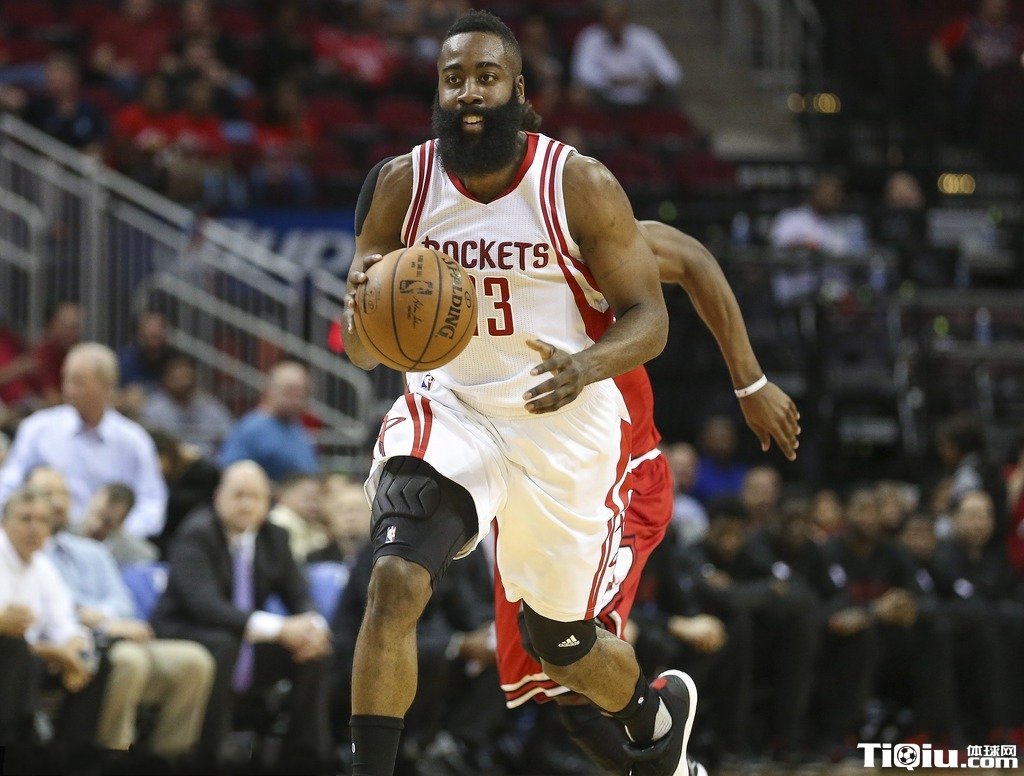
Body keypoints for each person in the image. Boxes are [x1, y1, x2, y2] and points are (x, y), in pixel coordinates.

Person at [341, 11, 798, 775]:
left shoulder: (575, 185)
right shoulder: (401, 186)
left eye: (486, 76)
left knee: (561, 650)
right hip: (453, 409)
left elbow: (657, 308)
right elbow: (359, 347)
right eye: (453, 79)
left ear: (519, 91)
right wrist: (363, 314)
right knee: (394, 580)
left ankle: (655, 725)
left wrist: (595, 367)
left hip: (567, 427)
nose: (468, 91)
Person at [492, 214, 799, 770]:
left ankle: (670, 748)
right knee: (566, 687)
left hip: (621, 480)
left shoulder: (576, 220)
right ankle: (676, 767)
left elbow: (693, 259)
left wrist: (750, 382)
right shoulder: (461, 245)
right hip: (531, 484)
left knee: (565, 649)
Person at [151, 461, 333, 770]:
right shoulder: (196, 533)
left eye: (255, 497)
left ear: (267, 503)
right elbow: (205, 606)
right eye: (238, 495)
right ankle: (211, 755)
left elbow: (299, 595)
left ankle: (303, 759)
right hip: (186, 630)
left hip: (240, 637)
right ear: (218, 497)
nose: (246, 504)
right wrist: (279, 629)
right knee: (226, 643)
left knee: (312, 652)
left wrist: (313, 626)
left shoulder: (274, 537)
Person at [28, 465, 214, 761]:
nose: (59, 502)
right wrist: (100, 622)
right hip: (80, 641)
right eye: (48, 493)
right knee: (130, 661)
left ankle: (168, 758)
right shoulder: (28, 552)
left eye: (63, 493)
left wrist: (102, 617)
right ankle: (112, 756)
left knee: (195, 660)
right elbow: (53, 609)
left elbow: (123, 603)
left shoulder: (92, 551)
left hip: (118, 633)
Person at [0, 343, 168, 538]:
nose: (68, 389)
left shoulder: (134, 440)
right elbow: (8, 485)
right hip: (46, 538)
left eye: (78, 382)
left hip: (112, 541)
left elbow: (152, 500)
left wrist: (122, 533)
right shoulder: (37, 428)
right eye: (66, 379)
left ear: (107, 386)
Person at [0, 487, 109, 764]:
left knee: (96, 658)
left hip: (33, 655)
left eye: (42, 521)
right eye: (26, 519)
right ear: (4, 522)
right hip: (11, 656)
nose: (34, 528)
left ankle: (69, 758)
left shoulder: (43, 566)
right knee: (17, 653)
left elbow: (66, 624)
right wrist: (57, 654)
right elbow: (10, 633)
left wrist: (72, 650)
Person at [219, 360, 319, 482]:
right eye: (290, 391)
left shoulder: (296, 428)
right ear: (270, 390)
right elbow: (232, 475)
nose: (297, 399)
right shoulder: (252, 429)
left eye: (303, 392)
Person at [571, 0, 682, 107]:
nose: (614, 24)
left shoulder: (644, 37)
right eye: (609, 20)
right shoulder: (591, 37)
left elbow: (672, 72)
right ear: (602, 20)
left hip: (644, 98)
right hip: (604, 98)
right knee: (578, 94)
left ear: (626, 20)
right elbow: (582, 72)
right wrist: (611, 80)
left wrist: (646, 81)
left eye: (618, 19)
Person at [141, 352, 234, 458]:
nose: (183, 382)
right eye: (178, 376)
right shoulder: (153, 409)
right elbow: (148, 444)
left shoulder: (210, 406)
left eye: (187, 375)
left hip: (209, 463)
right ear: (166, 378)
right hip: (171, 463)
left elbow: (230, 436)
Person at [80, 483, 159, 565]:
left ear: (122, 522)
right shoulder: (71, 531)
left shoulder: (135, 554)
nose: (96, 526)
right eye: (96, 514)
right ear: (91, 503)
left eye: (107, 523)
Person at [268, 471, 328, 562]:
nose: (314, 506)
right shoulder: (277, 521)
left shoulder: (313, 528)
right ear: (283, 495)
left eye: (317, 500)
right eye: (308, 499)